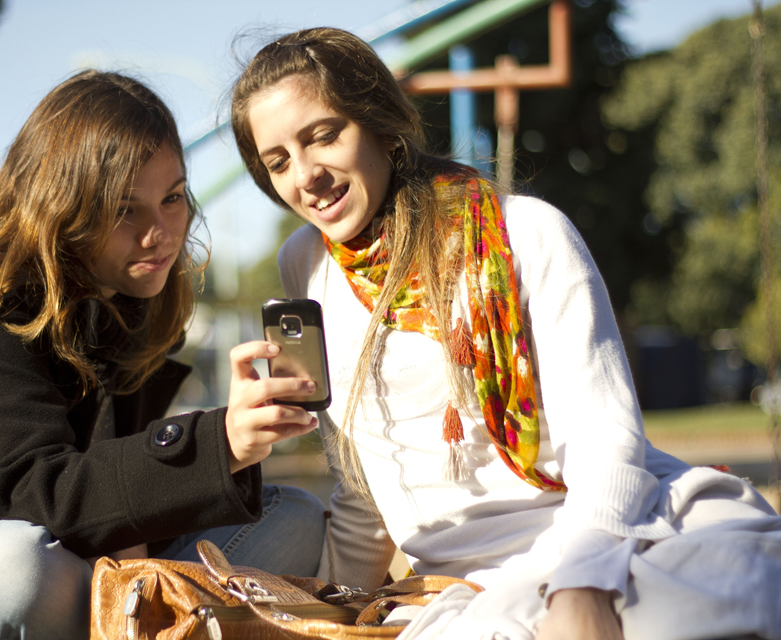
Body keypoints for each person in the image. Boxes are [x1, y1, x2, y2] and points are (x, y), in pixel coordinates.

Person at [229, 27, 781, 640]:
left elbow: (606, 442)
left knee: (703, 604)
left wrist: (584, 587)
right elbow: (363, 486)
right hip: (466, 592)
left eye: (323, 136)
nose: (305, 175)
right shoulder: (304, 267)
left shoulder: (529, 233)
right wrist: (323, 613)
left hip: (616, 539)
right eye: (278, 162)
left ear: (381, 122)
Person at [0, 70, 327, 640]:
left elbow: (115, 508)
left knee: (296, 516)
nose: (159, 233)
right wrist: (220, 441)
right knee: (21, 570)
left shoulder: (132, 301)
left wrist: (134, 594)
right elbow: (36, 488)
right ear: (63, 204)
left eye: (172, 198)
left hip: (49, 548)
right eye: (124, 209)